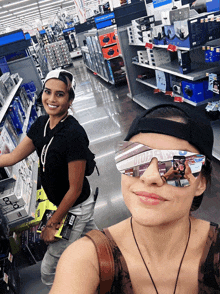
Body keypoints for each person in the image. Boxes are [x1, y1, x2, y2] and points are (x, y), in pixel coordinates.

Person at [49, 102, 220, 293]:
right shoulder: (85, 259)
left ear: (202, 183)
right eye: (135, 158)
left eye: (176, 165)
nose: (150, 177)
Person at [0, 69, 98, 288]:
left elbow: (74, 188)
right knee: (95, 239)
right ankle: (113, 266)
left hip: (75, 207)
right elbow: (14, 156)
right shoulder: (42, 123)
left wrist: (53, 224)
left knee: (51, 265)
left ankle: (67, 289)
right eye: (48, 92)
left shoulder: (73, 134)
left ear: (70, 100)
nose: (51, 99)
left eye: (60, 94)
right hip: (66, 204)